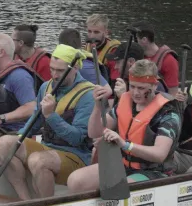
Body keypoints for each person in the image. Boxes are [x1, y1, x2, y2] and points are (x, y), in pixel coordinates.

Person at [0, 45, 94, 199]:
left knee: (38, 160)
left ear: (74, 68)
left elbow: (77, 138)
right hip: (48, 147)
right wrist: (19, 137)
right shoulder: (45, 88)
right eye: (52, 69)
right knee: (3, 143)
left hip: (76, 155)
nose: (54, 75)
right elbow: (34, 121)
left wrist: (51, 115)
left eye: (60, 71)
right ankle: (24, 201)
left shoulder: (88, 95)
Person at [67, 60, 182, 192]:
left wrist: (125, 144)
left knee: (115, 188)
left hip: (153, 171)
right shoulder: (126, 102)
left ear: (154, 86)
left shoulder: (168, 113)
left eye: (141, 88)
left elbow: (160, 154)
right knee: (75, 181)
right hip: (123, 165)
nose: (135, 93)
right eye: (132, 86)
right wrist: (98, 107)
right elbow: (93, 133)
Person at [133, 21, 180, 95]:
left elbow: (173, 92)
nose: (134, 42)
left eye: (136, 39)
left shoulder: (169, 60)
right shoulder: (137, 57)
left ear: (144, 40)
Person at [84, 14, 122, 80]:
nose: (92, 36)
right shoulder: (85, 47)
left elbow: (115, 81)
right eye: (89, 31)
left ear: (106, 33)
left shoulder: (113, 52)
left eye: (96, 32)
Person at [13, 24, 51, 88]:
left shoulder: (44, 62)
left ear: (21, 43)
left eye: (12, 40)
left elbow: (48, 89)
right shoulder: (12, 57)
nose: (10, 42)